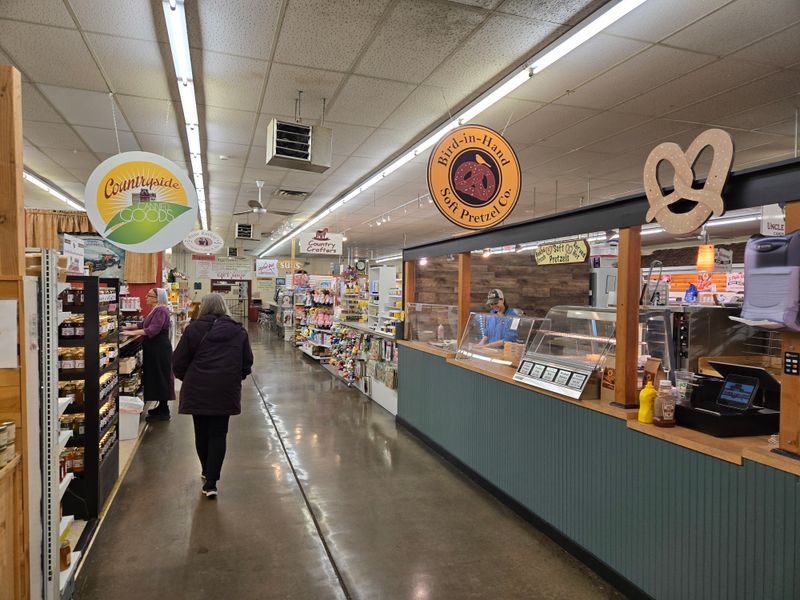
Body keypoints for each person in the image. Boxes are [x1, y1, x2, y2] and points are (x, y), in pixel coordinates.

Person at [172, 293, 253, 498]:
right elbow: (247, 363)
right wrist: (234, 378)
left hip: (198, 388)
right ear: (224, 307)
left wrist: (189, 378)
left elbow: (178, 363)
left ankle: (206, 470)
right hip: (224, 389)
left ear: (204, 307)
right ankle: (211, 482)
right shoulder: (238, 331)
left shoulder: (193, 330)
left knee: (201, 431)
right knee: (219, 433)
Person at [122, 288, 174, 421]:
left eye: (149, 295)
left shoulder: (161, 310)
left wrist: (130, 334)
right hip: (154, 349)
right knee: (156, 376)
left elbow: (153, 329)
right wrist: (126, 327)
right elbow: (143, 324)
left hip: (159, 349)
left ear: (157, 298)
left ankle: (164, 411)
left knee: (160, 376)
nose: (146, 297)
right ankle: (161, 407)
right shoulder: (156, 309)